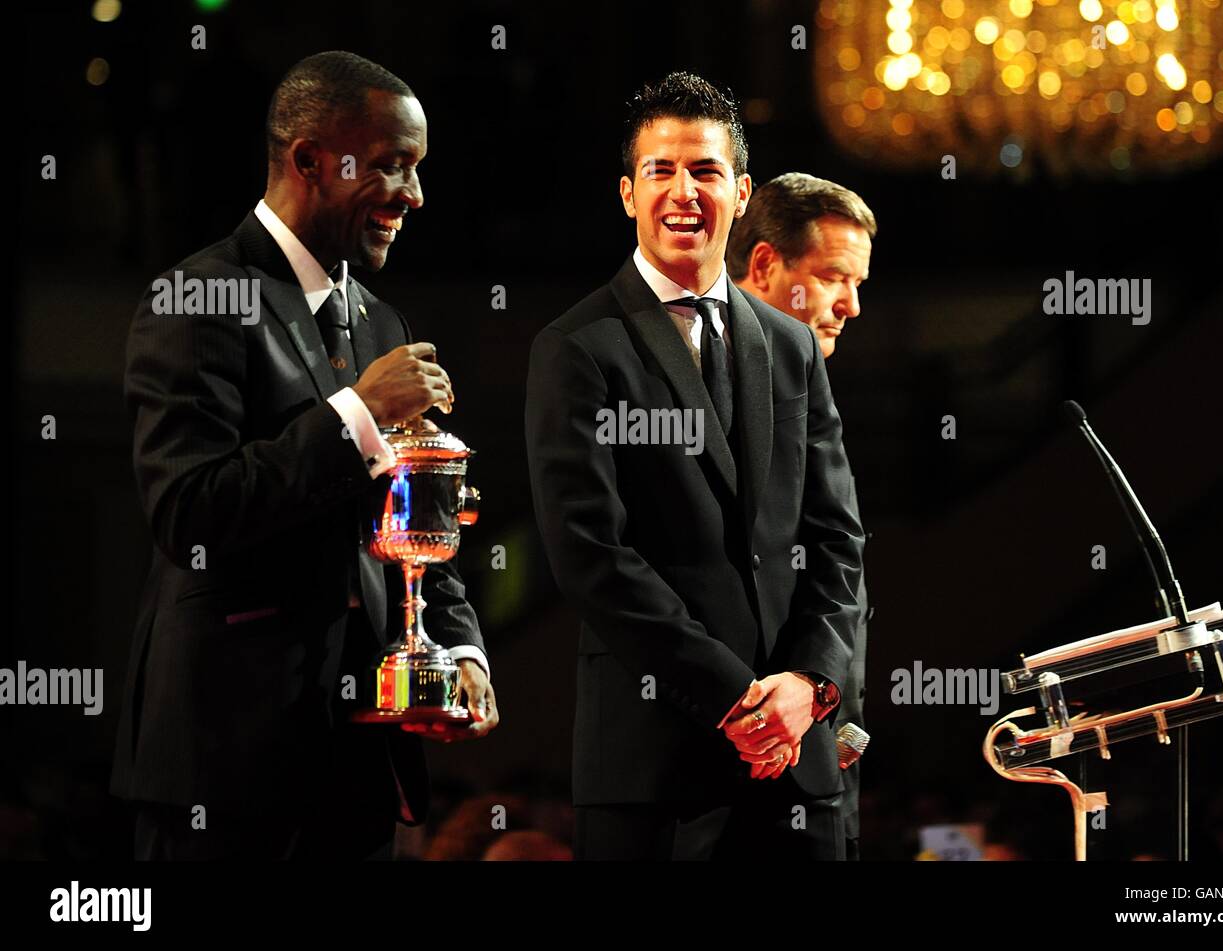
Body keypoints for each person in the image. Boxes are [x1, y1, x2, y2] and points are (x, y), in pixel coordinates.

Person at [113, 51, 498, 860]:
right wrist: (358, 412)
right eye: (393, 166)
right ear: (311, 160)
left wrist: (457, 644)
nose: (414, 195)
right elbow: (190, 512)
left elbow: (417, 514)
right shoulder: (198, 298)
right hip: (222, 769)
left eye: (418, 168)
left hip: (360, 764)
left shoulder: (382, 325)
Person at [524, 72, 864, 860]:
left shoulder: (789, 346)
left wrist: (807, 685)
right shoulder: (575, 348)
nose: (684, 192)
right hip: (654, 773)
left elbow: (837, 538)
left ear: (741, 193)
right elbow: (591, 558)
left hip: (797, 770)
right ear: (626, 192)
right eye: (661, 171)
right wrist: (738, 698)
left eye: (705, 171)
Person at [728, 171, 876, 859]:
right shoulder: (689, 391)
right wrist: (768, 711)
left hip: (822, 773)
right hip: (734, 763)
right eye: (833, 278)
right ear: (764, 264)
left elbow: (837, 557)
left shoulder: (816, 391)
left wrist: (819, 692)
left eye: (858, 284)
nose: (850, 305)